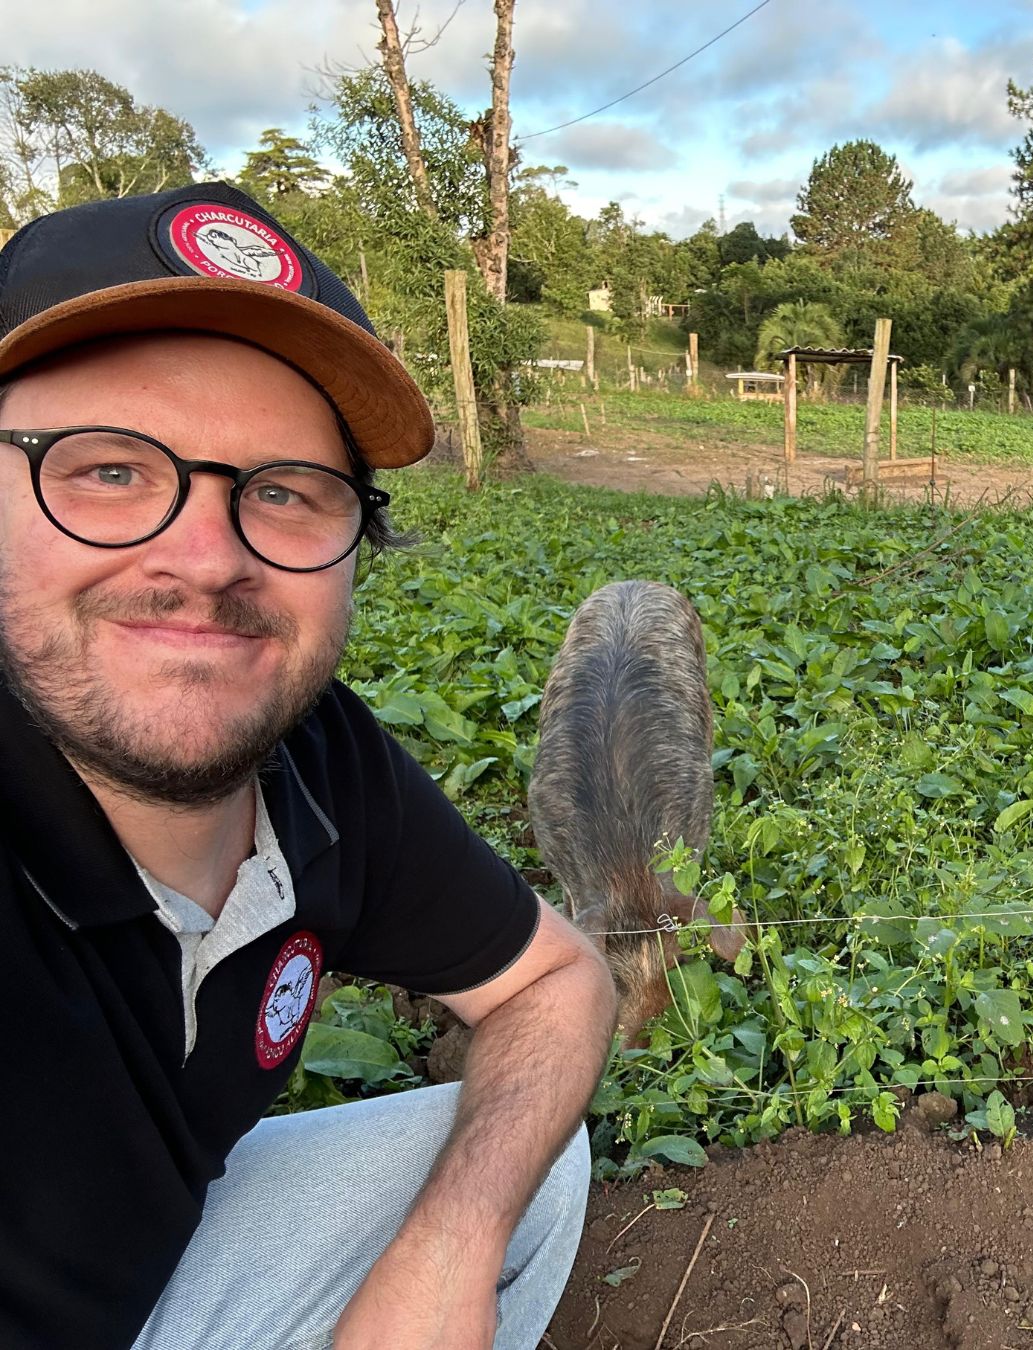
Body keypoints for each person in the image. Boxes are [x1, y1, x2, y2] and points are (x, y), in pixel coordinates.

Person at [0, 182, 617, 1350]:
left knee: (526, 1170)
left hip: (143, 1268)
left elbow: (557, 981)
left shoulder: (320, 760)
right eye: (108, 470)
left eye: (282, 491)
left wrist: (451, 1246)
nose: (204, 558)